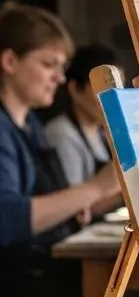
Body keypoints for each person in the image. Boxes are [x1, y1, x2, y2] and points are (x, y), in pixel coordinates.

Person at [0, 2, 122, 297]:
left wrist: (75, 206)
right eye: (48, 64)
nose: (59, 77)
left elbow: (55, 203)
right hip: (17, 294)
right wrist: (96, 187)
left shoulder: (30, 125)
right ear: (10, 62)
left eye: (61, 67)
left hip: (43, 276)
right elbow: (8, 218)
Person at [44, 43, 120, 191]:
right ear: (75, 89)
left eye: (118, 87)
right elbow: (70, 202)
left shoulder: (101, 131)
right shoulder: (61, 134)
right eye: (105, 88)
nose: (114, 98)